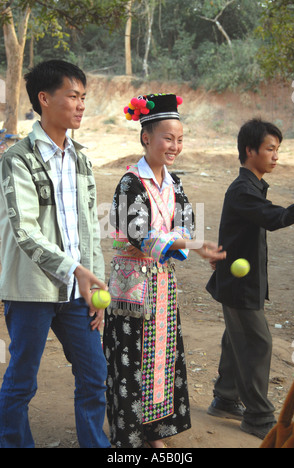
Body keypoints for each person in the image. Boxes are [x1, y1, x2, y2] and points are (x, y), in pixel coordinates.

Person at [103, 93, 226, 448]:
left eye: (180, 139)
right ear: (146, 138)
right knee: (131, 359)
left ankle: (154, 432)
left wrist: (187, 242)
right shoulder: (130, 182)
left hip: (162, 284)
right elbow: (138, 235)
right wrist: (185, 242)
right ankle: (128, 434)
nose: (175, 146)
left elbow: (187, 225)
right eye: (168, 138)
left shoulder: (175, 183)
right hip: (132, 286)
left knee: (161, 357)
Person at [0, 60, 110, 448]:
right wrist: (75, 269)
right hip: (30, 290)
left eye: (84, 97)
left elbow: (89, 228)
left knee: (95, 374)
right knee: (22, 380)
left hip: (78, 291)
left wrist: (93, 278)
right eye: (74, 96)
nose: (81, 105)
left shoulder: (81, 159)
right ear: (44, 99)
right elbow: (25, 231)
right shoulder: (17, 159)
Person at [206, 118, 294, 440]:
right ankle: (259, 417)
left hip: (242, 283)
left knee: (237, 339)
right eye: (270, 149)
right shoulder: (244, 190)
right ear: (250, 151)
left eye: (278, 149)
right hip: (238, 286)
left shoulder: (251, 187)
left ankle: (225, 398)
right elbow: (274, 217)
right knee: (257, 342)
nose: (276, 156)